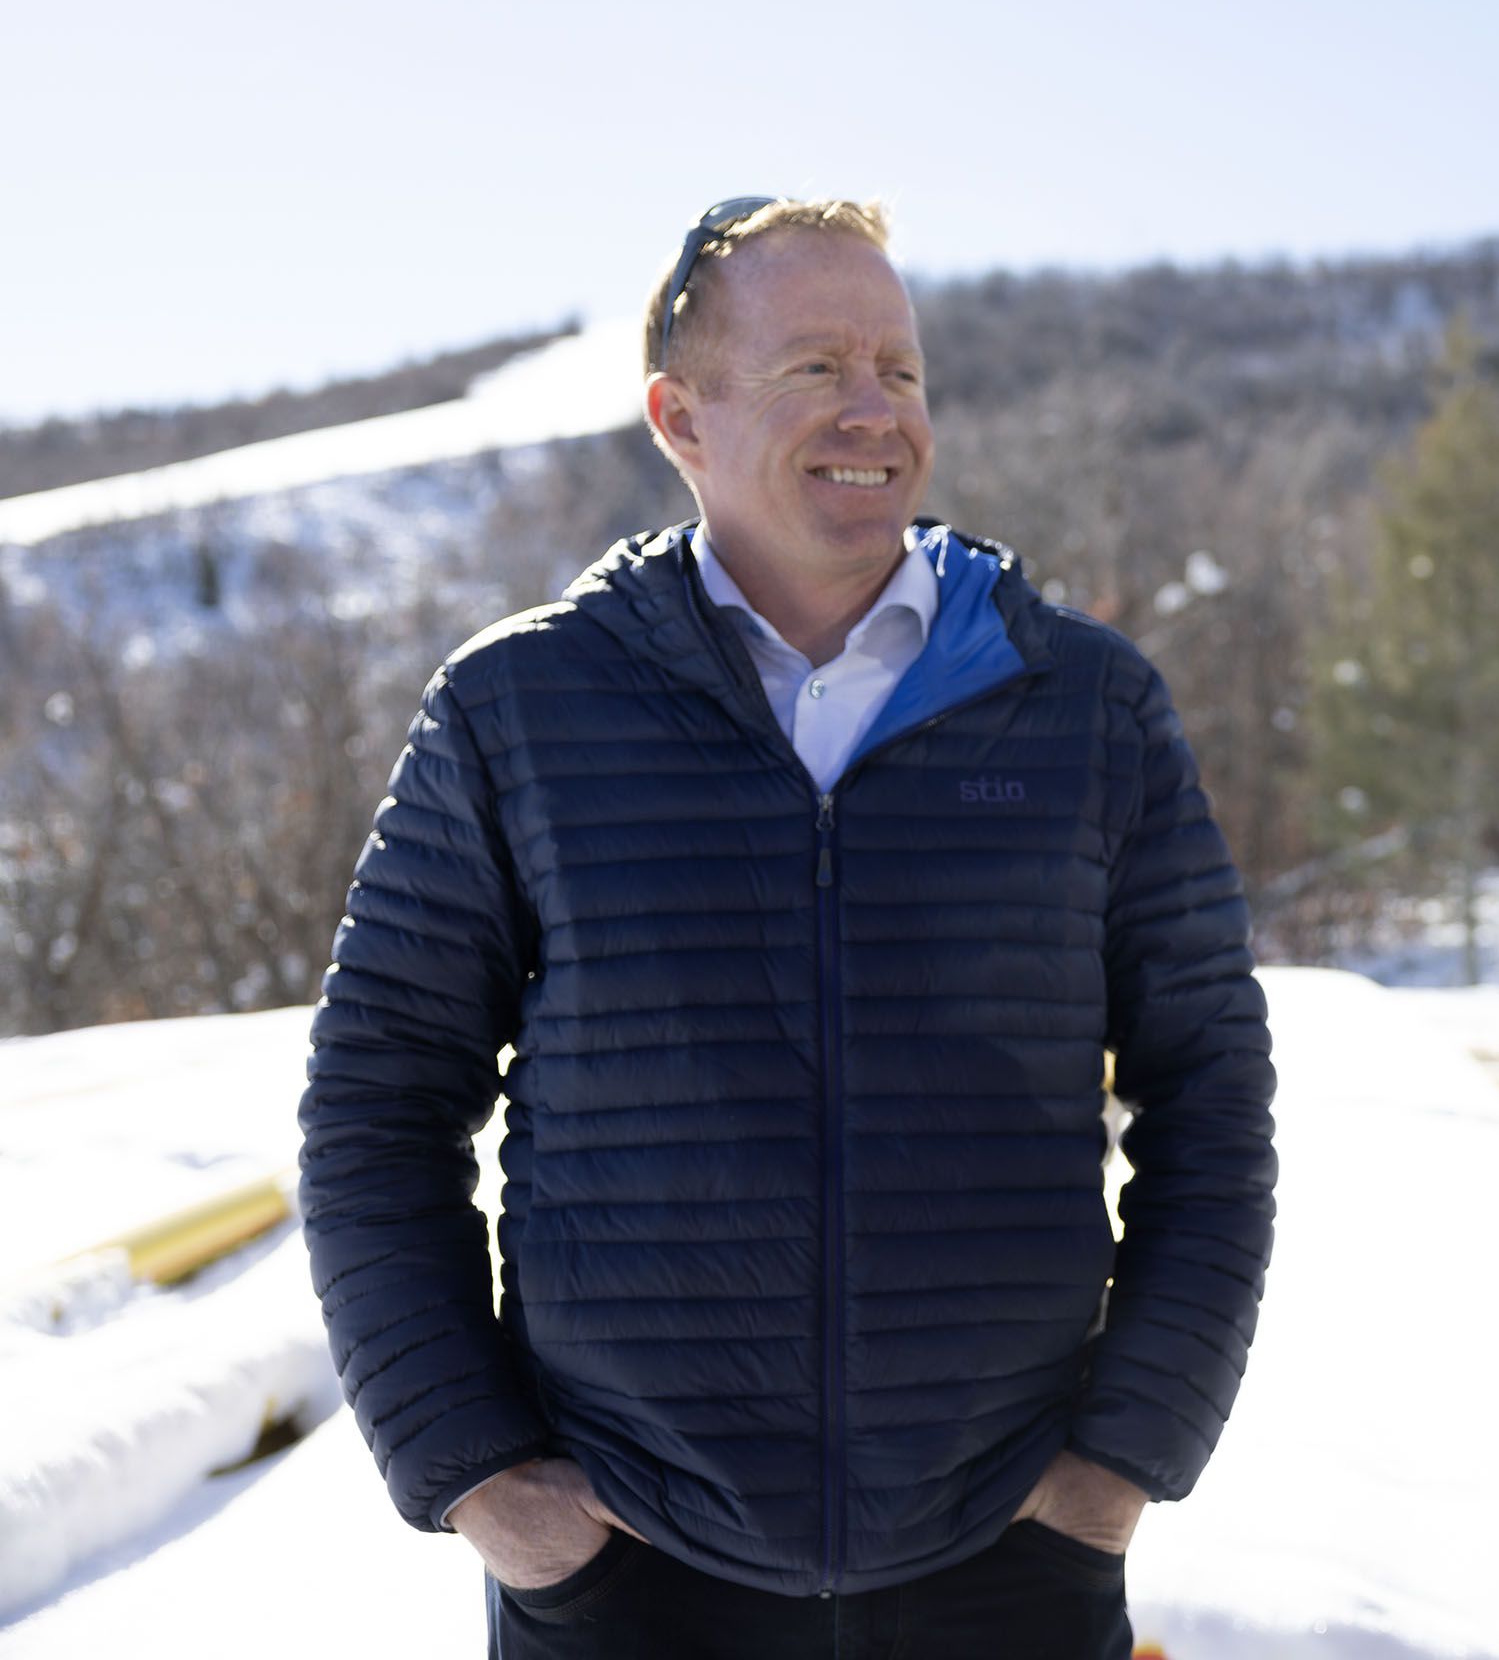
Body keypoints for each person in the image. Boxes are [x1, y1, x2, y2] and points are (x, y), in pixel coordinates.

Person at [298, 196, 1277, 1659]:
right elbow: (376, 1104)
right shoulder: (519, 713)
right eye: (815, 368)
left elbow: (1211, 1094)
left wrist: (1120, 1464)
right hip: (626, 1580)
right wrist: (489, 1484)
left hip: (1006, 1564)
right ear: (679, 419)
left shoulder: (1085, 704)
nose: (874, 411)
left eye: (900, 367)